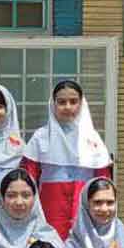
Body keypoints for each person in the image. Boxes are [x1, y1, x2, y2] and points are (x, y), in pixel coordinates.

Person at [20, 81, 113, 239]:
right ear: (53, 104)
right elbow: (27, 180)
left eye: (73, 101)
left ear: (81, 104)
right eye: (62, 102)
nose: (68, 107)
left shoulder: (93, 139)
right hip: (50, 207)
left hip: (85, 207)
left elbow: (103, 182)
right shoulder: (40, 138)